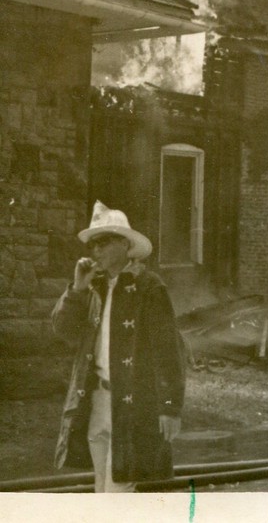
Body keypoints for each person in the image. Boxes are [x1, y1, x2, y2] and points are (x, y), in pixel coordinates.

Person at [51, 200, 185, 492]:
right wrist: (77, 289)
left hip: (134, 403)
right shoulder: (92, 286)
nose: (96, 250)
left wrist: (170, 407)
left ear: (125, 245)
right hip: (96, 397)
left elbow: (168, 349)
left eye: (104, 242)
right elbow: (62, 330)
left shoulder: (149, 286)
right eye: (94, 244)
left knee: (120, 487)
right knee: (102, 484)